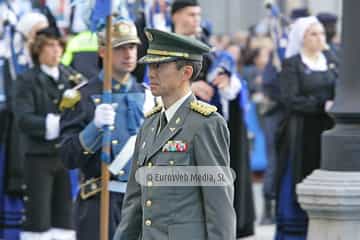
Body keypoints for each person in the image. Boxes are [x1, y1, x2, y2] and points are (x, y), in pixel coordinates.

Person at [114, 28, 236, 240]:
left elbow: (219, 206)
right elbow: (135, 201)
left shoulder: (204, 124)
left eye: (159, 66)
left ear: (186, 72)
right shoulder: (150, 123)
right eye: (150, 65)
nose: (151, 73)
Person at [59, 18, 154, 240]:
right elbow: (67, 157)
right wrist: (93, 129)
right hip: (100, 203)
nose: (128, 54)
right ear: (103, 51)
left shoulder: (149, 95)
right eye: (120, 48)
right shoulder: (80, 96)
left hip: (143, 202)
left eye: (131, 47)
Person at [171, 1, 255, 237]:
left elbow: (232, 89)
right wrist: (187, 86)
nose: (196, 19)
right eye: (190, 14)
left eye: (198, 14)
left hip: (210, 132)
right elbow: (151, 84)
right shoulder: (165, 48)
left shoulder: (209, 50)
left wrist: (228, 82)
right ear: (175, 16)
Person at [12, 27, 80, 240]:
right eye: (50, 45)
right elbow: (23, 119)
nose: (56, 50)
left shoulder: (71, 76)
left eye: (58, 44)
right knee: (37, 219)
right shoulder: (26, 80)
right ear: (38, 49)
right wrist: (57, 124)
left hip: (64, 157)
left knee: (65, 217)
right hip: (37, 157)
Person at [275, 16, 338, 239]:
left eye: (321, 33)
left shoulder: (331, 59)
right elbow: (290, 99)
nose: (320, 38)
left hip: (327, 129)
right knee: (298, 178)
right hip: (301, 131)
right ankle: (296, 229)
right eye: (313, 34)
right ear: (302, 38)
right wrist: (321, 104)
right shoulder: (293, 64)